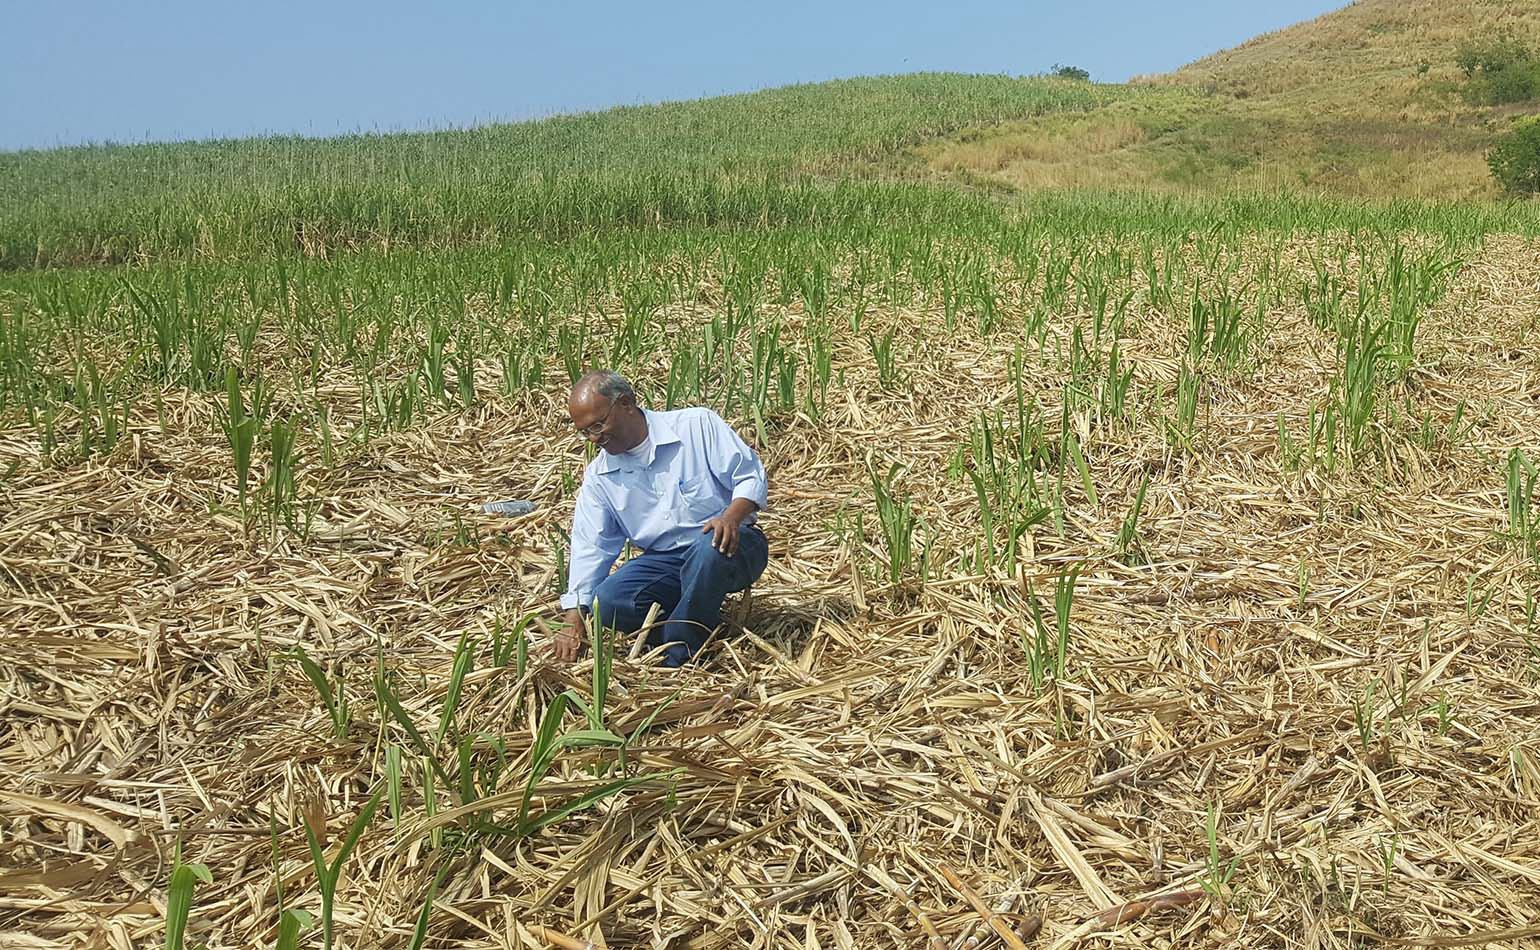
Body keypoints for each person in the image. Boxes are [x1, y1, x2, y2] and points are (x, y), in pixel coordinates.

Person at [554, 370, 770, 667]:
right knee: (608, 602)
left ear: (626, 404)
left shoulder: (695, 426)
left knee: (709, 549)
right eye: (585, 432)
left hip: (732, 544)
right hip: (665, 560)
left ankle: (680, 656)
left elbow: (749, 476)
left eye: (599, 425)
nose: (594, 439)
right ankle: (694, 623)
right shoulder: (600, 477)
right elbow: (591, 546)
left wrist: (730, 517)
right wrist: (573, 616)